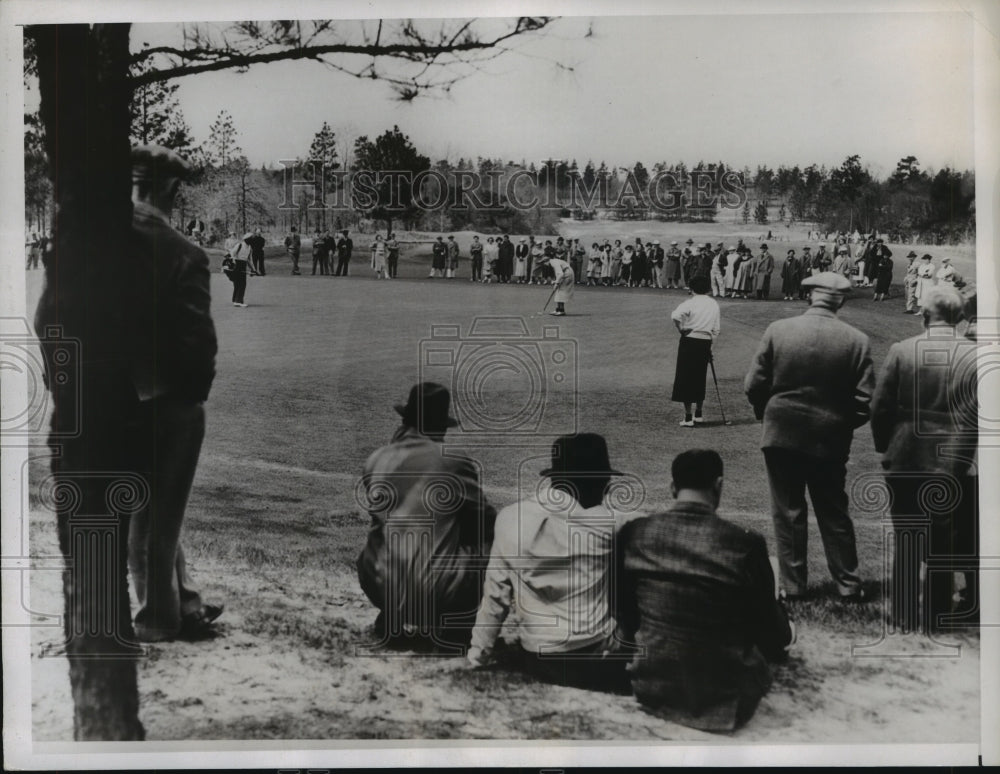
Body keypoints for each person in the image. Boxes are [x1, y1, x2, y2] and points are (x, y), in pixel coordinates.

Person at [615, 449, 794, 732]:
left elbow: (625, 610)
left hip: (650, 686)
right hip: (726, 698)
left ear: (673, 487)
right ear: (719, 485)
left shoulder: (635, 532)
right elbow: (771, 634)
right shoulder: (744, 543)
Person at [125, 144, 223, 641]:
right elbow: (197, 344)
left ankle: (184, 602)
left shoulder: (88, 243)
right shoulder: (183, 251)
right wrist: (184, 398)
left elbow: (49, 318)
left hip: (108, 397)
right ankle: (160, 620)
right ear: (171, 188)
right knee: (158, 524)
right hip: (165, 402)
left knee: (140, 513)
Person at [744, 271, 873, 601]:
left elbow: (754, 384)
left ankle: (794, 587)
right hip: (829, 438)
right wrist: (839, 425)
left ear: (809, 296)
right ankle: (848, 584)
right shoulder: (856, 340)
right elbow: (863, 401)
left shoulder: (779, 330)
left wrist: (768, 412)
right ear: (840, 300)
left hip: (781, 431)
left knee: (788, 512)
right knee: (833, 511)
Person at [468, 434, 630, 692]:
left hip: (537, 656)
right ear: (595, 484)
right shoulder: (611, 524)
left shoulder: (510, 517)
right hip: (595, 654)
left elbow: (495, 595)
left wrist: (478, 653)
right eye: (604, 483)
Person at [871, 287, 979, 633]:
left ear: (925, 315)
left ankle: (904, 611)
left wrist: (885, 446)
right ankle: (936, 613)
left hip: (905, 454)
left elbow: (881, 407)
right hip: (952, 457)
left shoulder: (903, 350)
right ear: (959, 318)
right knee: (943, 537)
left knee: (907, 533)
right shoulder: (975, 355)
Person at [357, 383, 496, 649]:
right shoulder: (452, 460)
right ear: (441, 426)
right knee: (493, 541)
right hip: (437, 590)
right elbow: (486, 521)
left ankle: (393, 614)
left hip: (377, 583)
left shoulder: (376, 458)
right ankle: (455, 622)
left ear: (405, 419)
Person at [670, 275, 721, 426]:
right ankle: (699, 414)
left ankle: (687, 417)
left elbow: (675, 315)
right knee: (699, 377)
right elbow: (716, 330)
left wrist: (681, 329)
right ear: (707, 289)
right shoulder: (713, 304)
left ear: (692, 289)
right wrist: (711, 348)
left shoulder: (690, 302)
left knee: (685, 378)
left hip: (690, 341)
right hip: (705, 342)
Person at [539, 251, 574, 315]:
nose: (544, 264)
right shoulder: (552, 262)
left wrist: (556, 283)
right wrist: (556, 282)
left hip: (568, 274)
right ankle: (558, 309)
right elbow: (559, 274)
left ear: (547, 261)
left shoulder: (554, 263)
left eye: (543, 262)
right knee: (558, 290)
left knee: (561, 290)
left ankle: (561, 311)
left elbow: (560, 274)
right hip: (565, 273)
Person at [229, 232, 252, 306]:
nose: (251, 240)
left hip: (243, 264)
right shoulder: (240, 245)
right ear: (246, 239)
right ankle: (238, 301)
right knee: (240, 283)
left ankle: (235, 300)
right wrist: (233, 262)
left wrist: (252, 269)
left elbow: (247, 259)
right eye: (250, 239)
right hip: (237, 264)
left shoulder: (249, 247)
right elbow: (232, 253)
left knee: (239, 283)